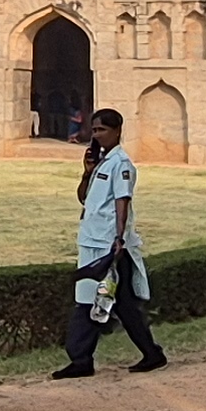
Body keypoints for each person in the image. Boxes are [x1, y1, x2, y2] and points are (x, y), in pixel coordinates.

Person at [53, 108, 164, 377]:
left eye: (102, 129)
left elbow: (122, 201)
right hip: (92, 240)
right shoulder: (102, 163)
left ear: (117, 131)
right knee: (103, 301)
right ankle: (145, 354)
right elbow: (84, 197)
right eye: (94, 130)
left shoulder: (121, 163)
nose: (97, 135)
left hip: (109, 244)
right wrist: (87, 172)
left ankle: (84, 359)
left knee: (103, 301)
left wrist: (119, 237)